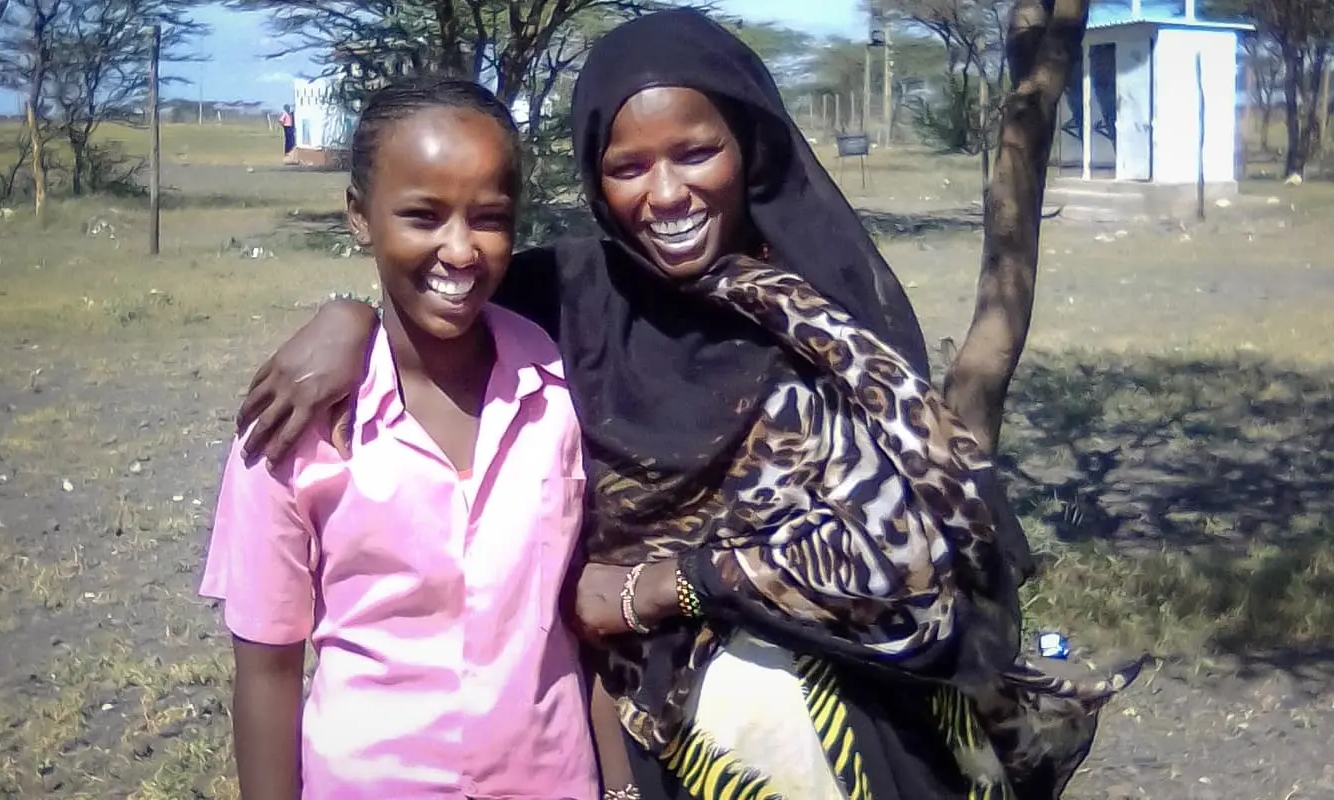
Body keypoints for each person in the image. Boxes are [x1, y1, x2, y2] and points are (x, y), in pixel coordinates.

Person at [235, 11, 1138, 800]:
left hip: (835, 730)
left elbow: (916, 556)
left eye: (696, 152)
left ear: (748, 145)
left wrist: (661, 587)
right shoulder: (567, 301)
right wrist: (344, 316)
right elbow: (435, 289)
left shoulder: (827, 319)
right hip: (627, 737)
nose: (665, 195)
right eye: (627, 166)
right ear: (594, 174)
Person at [200, 77, 598, 799]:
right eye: (422, 215)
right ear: (360, 216)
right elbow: (268, 668)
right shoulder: (297, 422)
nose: (460, 250)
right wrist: (348, 314)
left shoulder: (561, 389)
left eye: (489, 217)